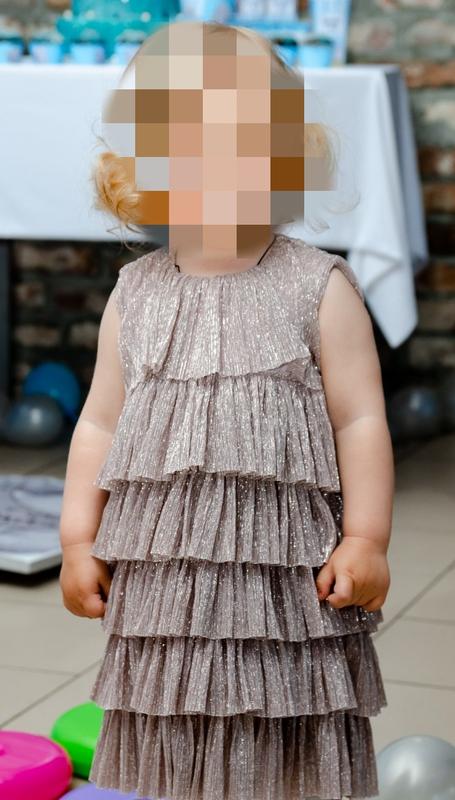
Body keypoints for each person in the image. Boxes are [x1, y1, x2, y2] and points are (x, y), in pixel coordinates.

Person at [58, 19, 393, 800]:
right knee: (171, 723)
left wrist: (366, 537)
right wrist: (77, 537)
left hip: (287, 587)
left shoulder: (316, 287)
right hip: (167, 588)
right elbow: (99, 423)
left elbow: (360, 420)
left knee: (284, 732)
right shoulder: (135, 293)